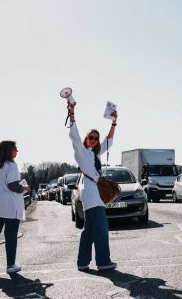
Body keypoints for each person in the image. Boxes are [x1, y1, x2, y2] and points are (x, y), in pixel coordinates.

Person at [67, 101, 118, 270]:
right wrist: (72, 113)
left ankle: (82, 262)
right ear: (86, 139)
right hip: (91, 194)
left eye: (96, 138)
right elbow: (74, 135)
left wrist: (114, 122)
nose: (94, 140)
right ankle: (103, 261)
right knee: (102, 229)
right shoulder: (81, 152)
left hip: (93, 195)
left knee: (88, 230)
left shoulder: (95, 153)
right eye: (91, 137)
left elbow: (109, 141)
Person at [0, 141, 29, 275]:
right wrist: (24, 188)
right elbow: (12, 185)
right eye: (15, 149)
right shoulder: (11, 165)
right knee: (10, 236)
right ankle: (10, 265)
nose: (17, 151)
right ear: (9, 150)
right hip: (10, 205)